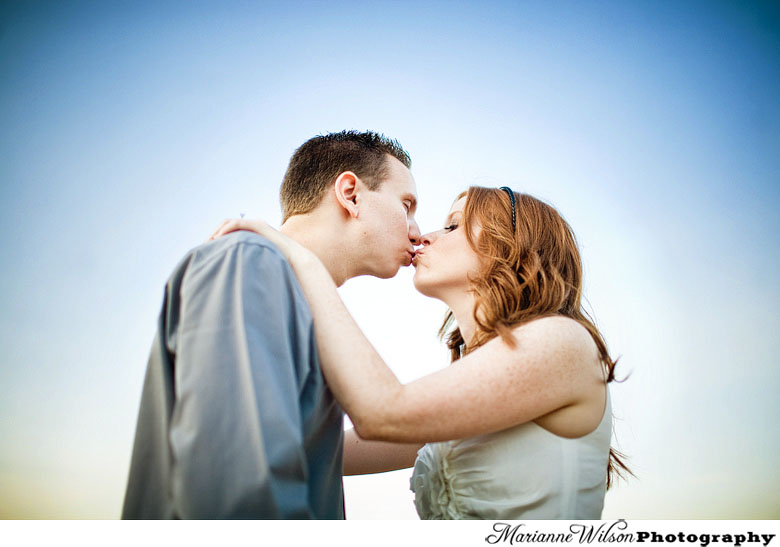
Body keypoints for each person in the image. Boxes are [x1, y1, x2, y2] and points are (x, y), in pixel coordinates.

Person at [211, 186, 631, 519]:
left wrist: (304, 261)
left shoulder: (563, 343)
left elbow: (382, 413)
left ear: (512, 245)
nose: (424, 235)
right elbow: (320, 452)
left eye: (452, 226)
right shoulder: (473, 388)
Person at [121, 130, 421, 519]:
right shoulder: (249, 262)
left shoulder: (296, 295)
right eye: (407, 204)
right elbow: (238, 486)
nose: (416, 231)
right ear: (350, 194)